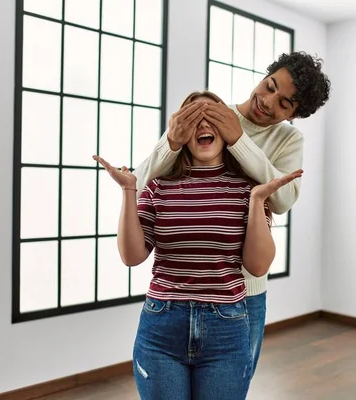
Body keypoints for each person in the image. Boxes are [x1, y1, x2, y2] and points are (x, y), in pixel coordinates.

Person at [133, 52, 331, 376]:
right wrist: (171, 142)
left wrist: (238, 140)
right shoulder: (209, 113)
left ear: (296, 113)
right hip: (180, 292)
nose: (267, 101)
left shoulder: (288, 140)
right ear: (265, 76)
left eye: (284, 104)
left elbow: (282, 199)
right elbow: (139, 184)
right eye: (269, 86)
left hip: (247, 290)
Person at [94, 90, 301, 400]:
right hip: (161, 327)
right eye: (193, 119)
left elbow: (258, 266)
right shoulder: (157, 186)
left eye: (213, 118)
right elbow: (131, 256)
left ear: (230, 131)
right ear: (180, 132)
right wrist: (129, 192)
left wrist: (258, 200)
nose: (204, 124)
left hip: (227, 330)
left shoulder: (248, 188)